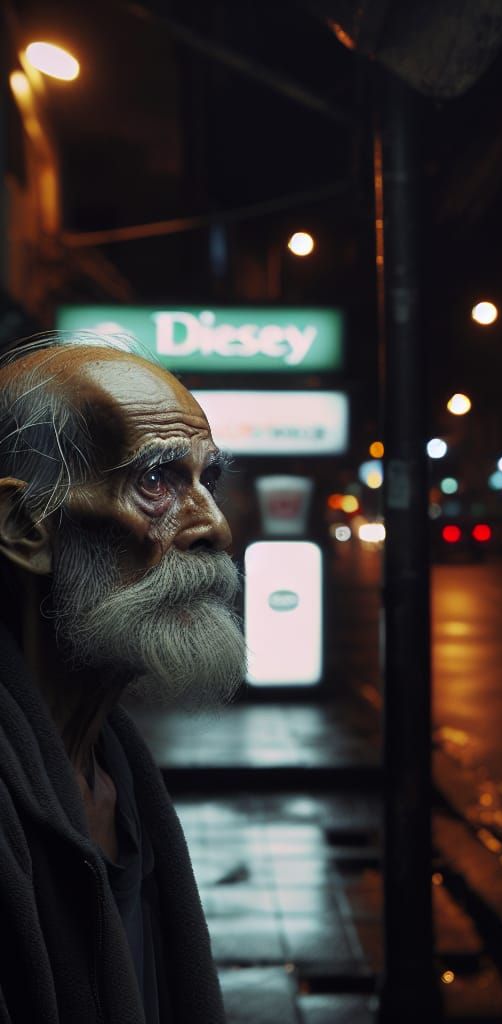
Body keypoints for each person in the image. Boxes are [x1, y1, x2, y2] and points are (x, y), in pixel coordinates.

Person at [0, 333, 247, 1021]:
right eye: (157, 482)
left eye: (209, 480)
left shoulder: (112, 764)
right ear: (25, 527)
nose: (214, 526)